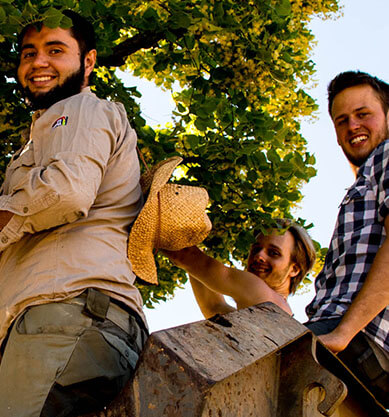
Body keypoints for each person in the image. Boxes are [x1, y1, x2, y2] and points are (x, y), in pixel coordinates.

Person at [0, 10, 148, 417]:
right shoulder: (42, 136)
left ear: (89, 61)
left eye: (55, 50)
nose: (38, 62)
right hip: (66, 321)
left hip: (66, 315)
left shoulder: (80, 109)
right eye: (29, 53)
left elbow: (65, 193)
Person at [305, 71, 389, 407]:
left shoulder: (386, 156)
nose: (352, 125)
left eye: (363, 114)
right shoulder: (364, 181)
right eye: (342, 120)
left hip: (358, 336)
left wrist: (344, 332)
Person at [165, 220, 316, 319]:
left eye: (274, 253)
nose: (259, 256)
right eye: (256, 249)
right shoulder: (278, 314)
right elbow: (214, 306)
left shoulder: (262, 294)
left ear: (294, 269)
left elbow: (186, 257)